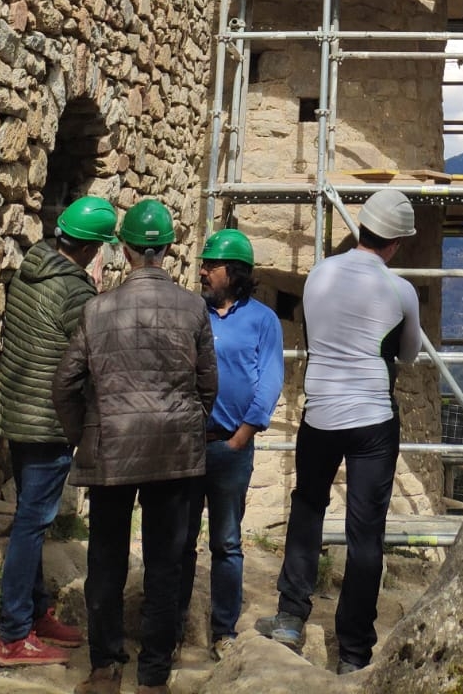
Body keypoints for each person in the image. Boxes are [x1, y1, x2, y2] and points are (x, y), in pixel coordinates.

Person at [54, 200, 218, 694]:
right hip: (174, 453)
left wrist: (82, 435)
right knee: (165, 565)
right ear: (166, 249)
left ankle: (105, 669)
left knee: (105, 561)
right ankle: (152, 679)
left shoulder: (97, 308)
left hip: (112, 451)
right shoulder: (193, 308)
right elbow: (208, 385)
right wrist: (188, 424)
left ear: (123, 249)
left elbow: (65, 385)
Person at [259, 187, 422, 675]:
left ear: (361, 229)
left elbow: (314, 335)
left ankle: (291, 616)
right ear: (395, 244)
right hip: (373, 418)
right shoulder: (400, 290)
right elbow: (409, 355)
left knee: (308, 507)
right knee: (365, 532)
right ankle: (354, 652)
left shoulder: (317, 276)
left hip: (321, 412)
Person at [0, 195, 118, 668]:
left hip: (18, 416)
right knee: (31, 525)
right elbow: (95, 354)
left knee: (32, 519)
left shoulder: (30, 270)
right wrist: (96, 292)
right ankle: (12, 635)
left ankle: (36, 612)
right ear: (90, 250)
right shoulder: (76, 293)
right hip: (48, 424)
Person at [176, 229, 284, 660]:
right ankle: (172, 625)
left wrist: (245, 433)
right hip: (186, 446)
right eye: (203, 264)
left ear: (235, 274)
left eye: (211, 265)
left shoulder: (263, 320)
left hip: (229, 448)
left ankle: (223, 631)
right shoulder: (190, 313)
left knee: (227, 543)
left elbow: (271, 379)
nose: (202, 271)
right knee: (179, 541)